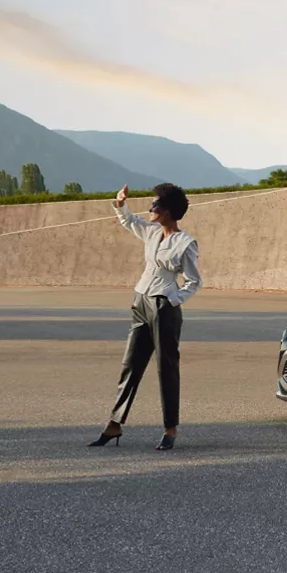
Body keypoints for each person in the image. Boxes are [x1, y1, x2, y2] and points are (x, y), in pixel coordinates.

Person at [87, 183, 201, 451]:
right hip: (140, 301)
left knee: (166, 369)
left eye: (155, 205)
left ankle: (170, 428)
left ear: (167, 210)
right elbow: (128, 220)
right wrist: (120, 202)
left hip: (164, 306)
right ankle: (114, 424)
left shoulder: (186, 243)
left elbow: (194, 281)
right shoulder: (150, 232)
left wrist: (172, 300)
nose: (150, 209)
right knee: (130, 364)